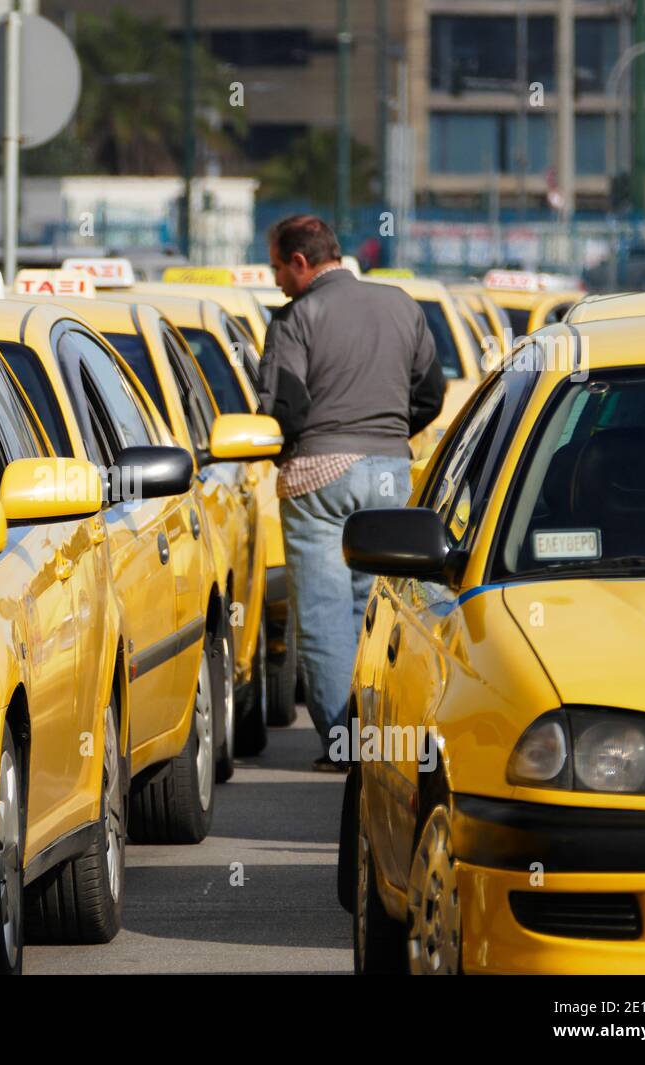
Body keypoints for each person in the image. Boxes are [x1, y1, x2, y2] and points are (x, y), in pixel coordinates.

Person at [257, 215, 445, 772]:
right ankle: (383, 736)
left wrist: (290, 445)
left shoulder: (296, 318)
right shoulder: (401, 305)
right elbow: (430, 394)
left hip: (318, 476)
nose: (276, 283)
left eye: (277, 270)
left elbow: (285, 408)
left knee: (322, 614)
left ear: (300, 262)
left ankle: (343, 743)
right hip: (390, 470)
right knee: (377, 610)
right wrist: (385, 435)